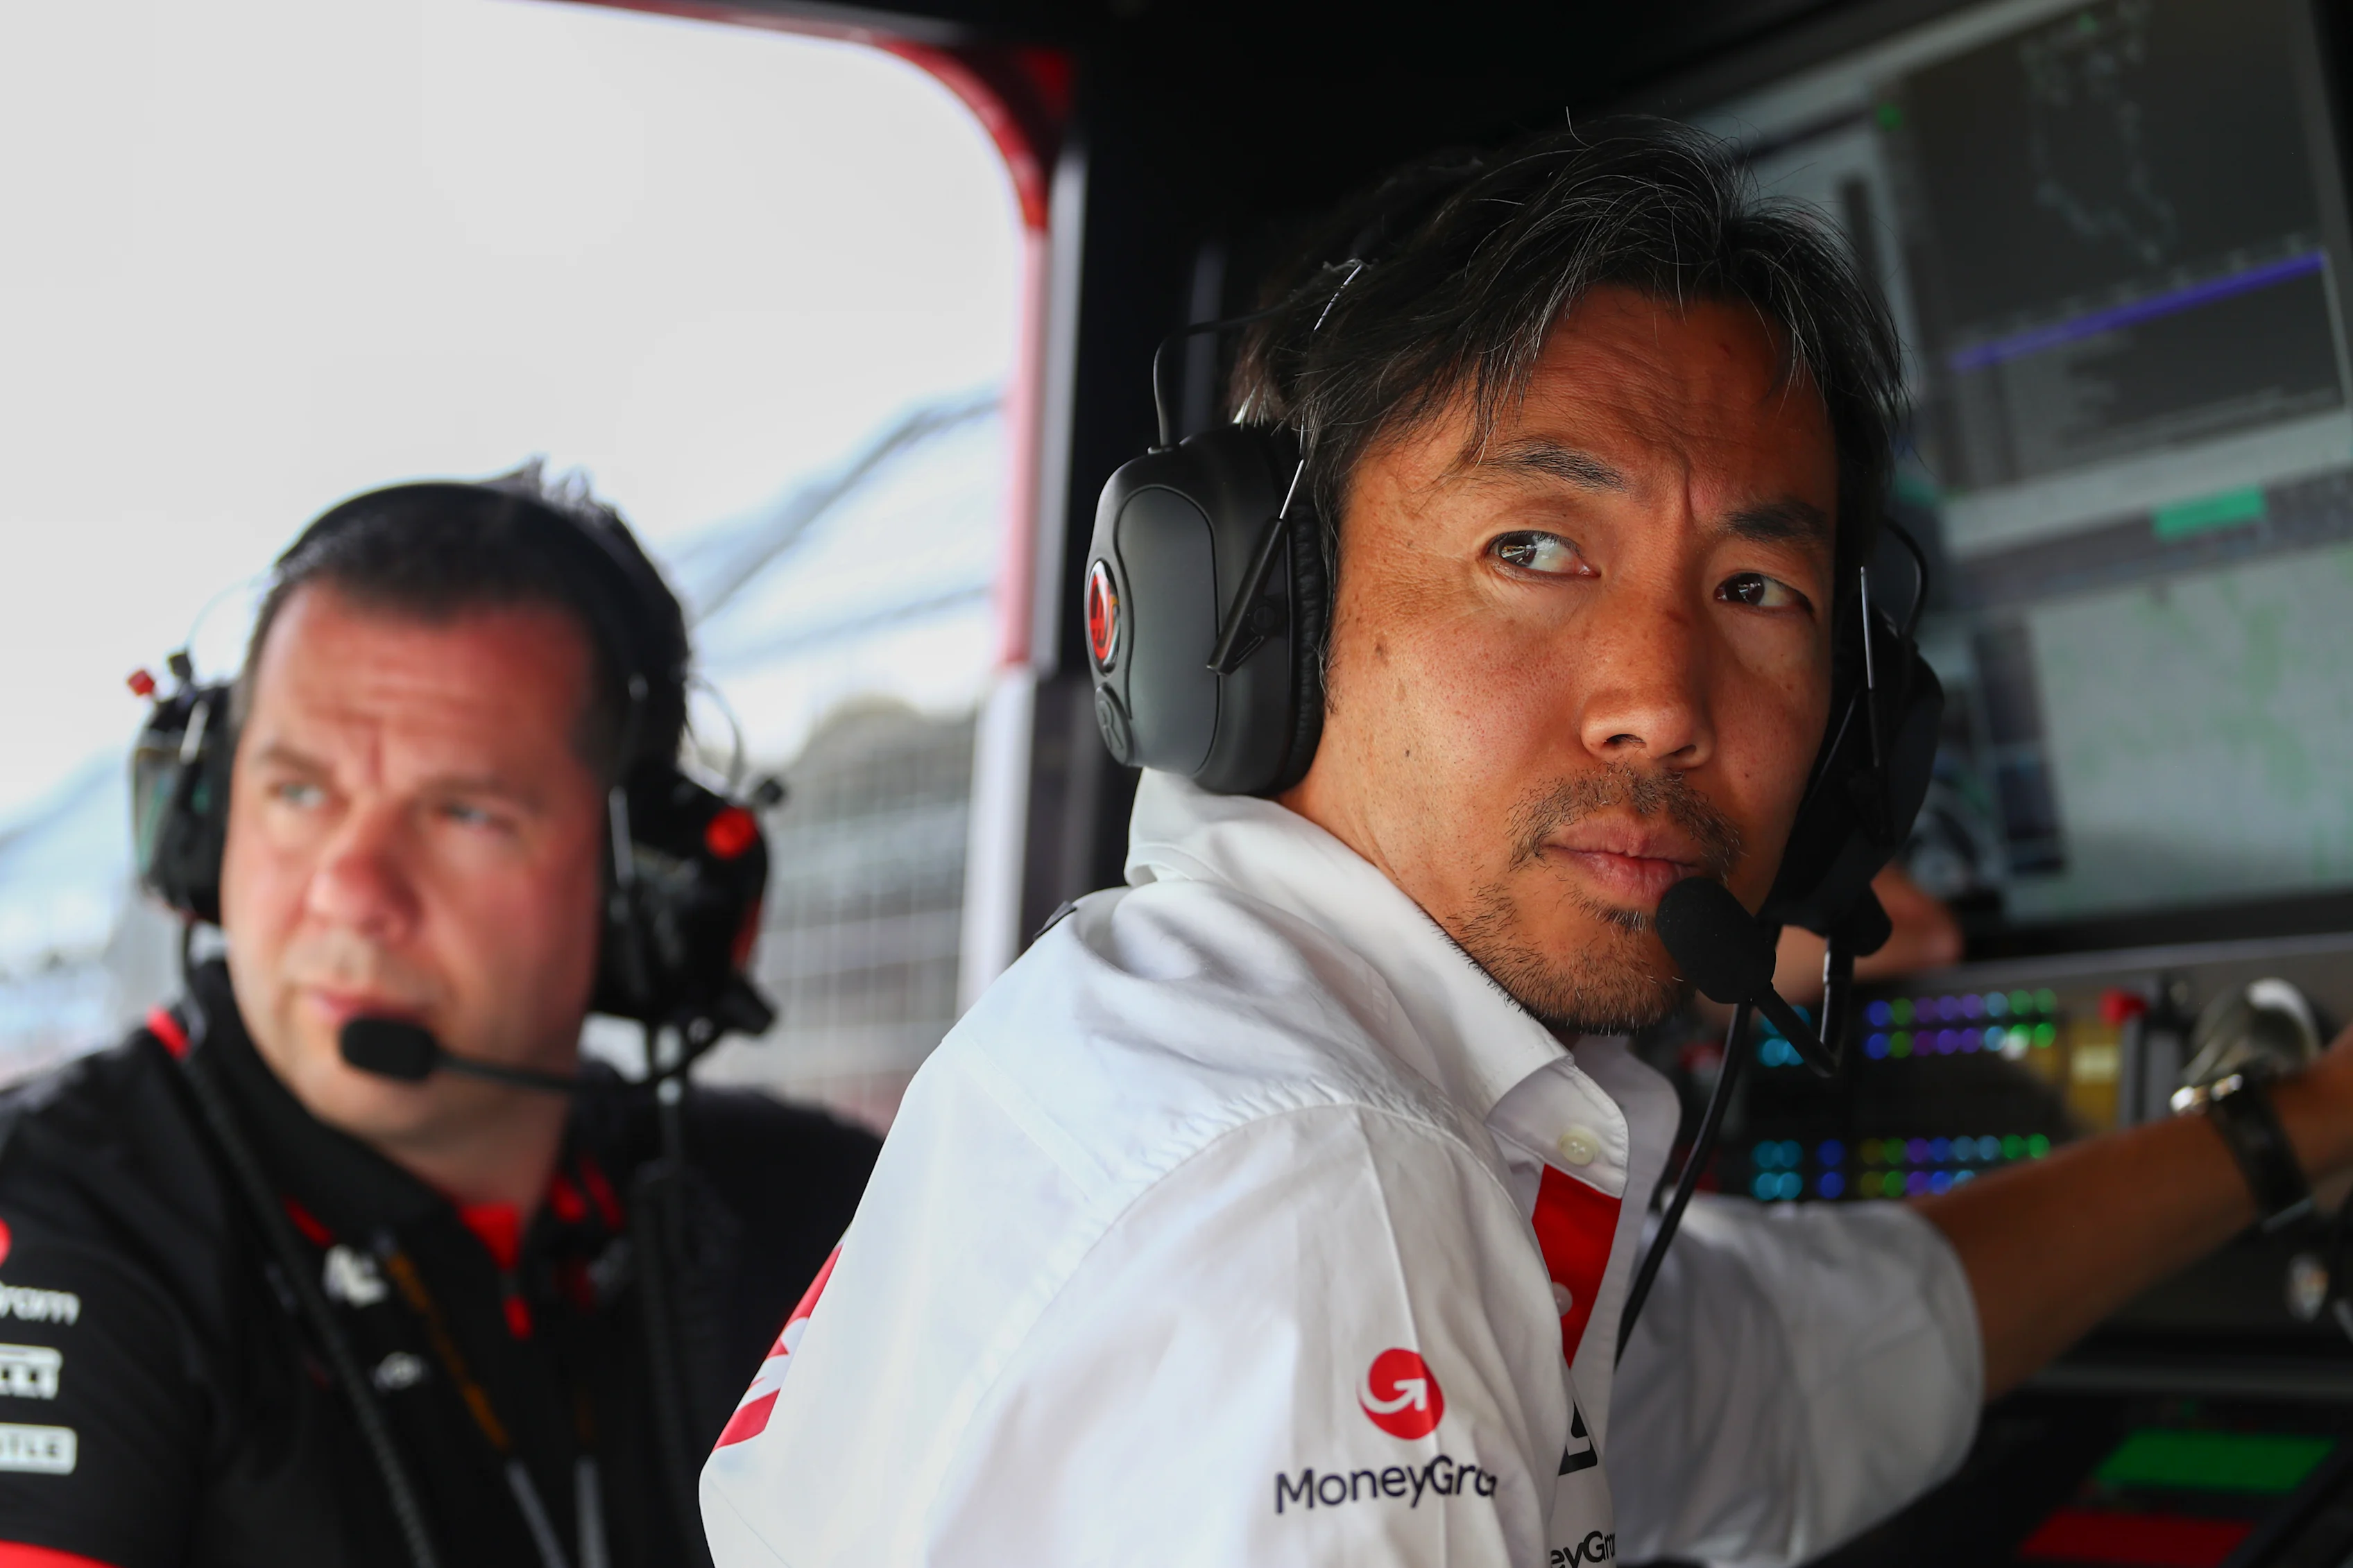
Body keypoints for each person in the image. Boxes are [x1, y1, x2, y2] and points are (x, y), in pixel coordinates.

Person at [701, 121, 2353, 1567]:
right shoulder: (1320, 1187)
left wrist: (2307, 1119)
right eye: (1537, 544)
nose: (1661, 701)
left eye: (1755, 588)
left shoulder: (1218, 1047)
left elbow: (1779, 1382)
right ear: (1267, 613)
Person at [0, 476, 878, 1567]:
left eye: (466, 812)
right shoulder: (60, 1225)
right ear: (208, 817)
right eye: (299, 792)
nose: (354, 890)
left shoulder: (821, 1218)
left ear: (638, 891)